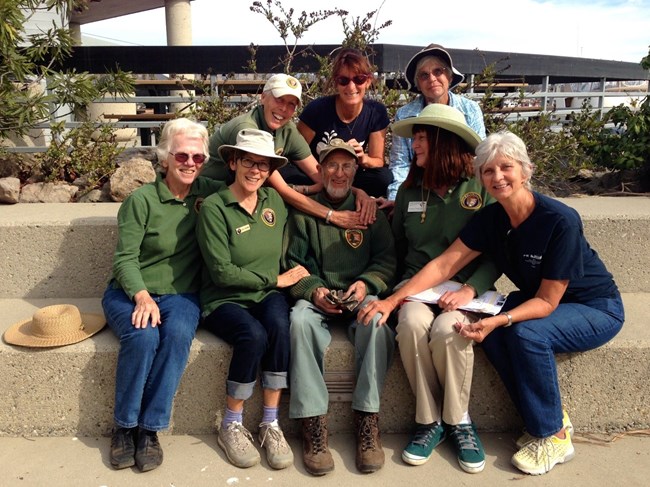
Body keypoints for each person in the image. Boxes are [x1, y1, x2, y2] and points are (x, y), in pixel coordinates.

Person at [358, 131, 625, 476]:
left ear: (525, 170)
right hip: (541, 300)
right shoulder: (492, 219)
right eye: (488, 171)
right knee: (496, 333)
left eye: (506, 168)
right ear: (480, 177)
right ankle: (548, 417)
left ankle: (554, 435)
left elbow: (546, 302)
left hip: (593, 306)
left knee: (526, 334)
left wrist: (499, 319)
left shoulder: (559, 220)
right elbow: (443, 265)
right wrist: (393, 300)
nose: (497, 177)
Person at [102, 118, 221, 472]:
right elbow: (124, 260)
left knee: (178, 334)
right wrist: (141, 296)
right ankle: (125, 426)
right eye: (182, 155)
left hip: (182, 294)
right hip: (130, 292)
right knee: (142, 335)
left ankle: (150, 429)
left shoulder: (208, 193)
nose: (190, 163)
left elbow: (256, 184)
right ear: (165, 158)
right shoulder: (142, 200)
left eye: (198, 158)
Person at [389, 103, 500, 473]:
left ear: (444, 142)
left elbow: (497, 253)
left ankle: (458, 420)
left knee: (448, 330)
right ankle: (429, 420)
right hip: (418, 283)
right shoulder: (409, 191)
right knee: (412, 324)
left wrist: (471, 288)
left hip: (465, 287)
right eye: (414, 138)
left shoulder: (478, 188)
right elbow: (396, 251)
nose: (414, 146)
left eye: (421, 138)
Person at [196, 128, 310, 470]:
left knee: (278, 324)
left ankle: (270, 423)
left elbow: (309, 203)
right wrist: (275, 279)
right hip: (223, 298)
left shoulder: (273, 201)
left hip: (265, 294)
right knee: (253, 335)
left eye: (264, 165)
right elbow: (222, 272)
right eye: (248, 161)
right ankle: (231, 423)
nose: (256, 171)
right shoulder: (215, 207)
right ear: (233, 162)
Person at [283, 138, 396, 476]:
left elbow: (386, 261)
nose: (340, 172)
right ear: (320, 169)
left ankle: (367, 419)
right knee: (299, 322)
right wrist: (314, 291)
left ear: (356, 170)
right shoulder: (305, 211)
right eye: (332, 165)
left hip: (359, 293)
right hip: (319, 297)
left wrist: (367, 283)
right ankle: (313, 423)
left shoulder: (368, 211)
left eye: (347, 166)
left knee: (377, 321)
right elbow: (292, 262)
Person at [202, 73, 376, 228]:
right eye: (279, 100)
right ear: (263, 98)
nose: (284, 109)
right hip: (211, 191)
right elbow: (283, 190)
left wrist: (359, 193)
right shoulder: (247, 128)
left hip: (243, 188)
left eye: (292, 104)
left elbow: (319, 173)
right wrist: (333, 216)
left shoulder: (287, 129)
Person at [386, 43, 486, 203]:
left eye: (438, 71)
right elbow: (400, 163)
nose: (432, 79)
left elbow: (480, 155)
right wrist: (396, 200)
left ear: (450, 77)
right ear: (418, 84)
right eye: (424, 75)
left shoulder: (470, 109)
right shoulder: (404, 114)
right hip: (420, 188)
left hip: (462, 188)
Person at [297, 48, 393, 198]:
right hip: (317, 172)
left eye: (359, 79)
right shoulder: (317, 109)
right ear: (336, 83)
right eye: (344, 80)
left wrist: (363, 158)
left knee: (383, 178)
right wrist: (321, 176)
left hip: (351, 174)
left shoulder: (376, 112)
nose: (351, 87)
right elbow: (296, 152)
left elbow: (378, 160)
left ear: (368, 81)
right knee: (288, 174)